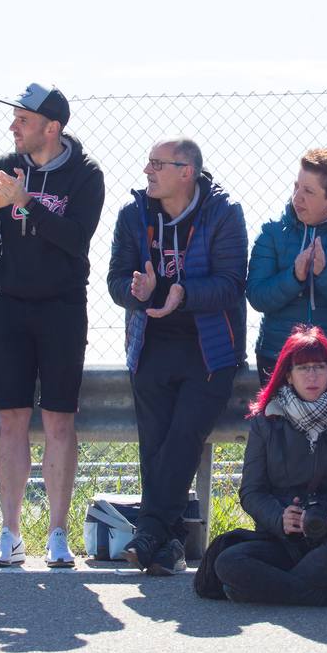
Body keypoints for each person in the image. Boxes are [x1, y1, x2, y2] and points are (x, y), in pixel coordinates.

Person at [0, 83, 105, 568]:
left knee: (60, 420)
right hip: (9, 308)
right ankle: (10, 533)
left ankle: (58, 535)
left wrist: (25, 203)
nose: (13, 127)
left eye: (22, 119)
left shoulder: (86, 174)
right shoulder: (5, 166)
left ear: (52, 127)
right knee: (11, 420)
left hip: (62, 308)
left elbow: (75, 239)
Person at [107, 138, 247, 575]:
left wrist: (178, 293)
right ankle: (167, 546)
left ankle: (149, 530)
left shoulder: (224, 213)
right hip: (150, 344)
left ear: (186, 171)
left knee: (184, 437)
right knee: (156, 445)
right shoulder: (133, 215)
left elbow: (230, 283)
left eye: (157, 164)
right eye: (148, 162)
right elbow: (115, 279)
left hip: (209, 348)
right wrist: (137, 291)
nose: (147, 170)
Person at [214, 326, 327, 605]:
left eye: (320, 367)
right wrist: (280, 517)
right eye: (303, 368)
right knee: (228, 561)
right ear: (288, 375)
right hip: (278, 540)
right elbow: (251, 491)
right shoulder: (267, 421)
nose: (312, 376)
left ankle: (263, 590)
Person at [247, 149, 327, 390]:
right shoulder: (272, 232)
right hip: (278, 356)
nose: (297, 198)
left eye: (308, 191)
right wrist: (294, 277)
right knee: (278, 428)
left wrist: (326, 273)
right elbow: (256, 296)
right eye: (296, 186)